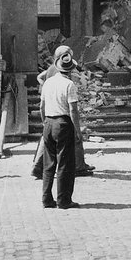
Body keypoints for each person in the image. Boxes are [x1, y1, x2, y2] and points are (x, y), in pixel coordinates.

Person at [31, 45, 94, 178]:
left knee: (46, 141)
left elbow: (40, 78)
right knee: (75, 138)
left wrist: (44, 86)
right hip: (61, 110)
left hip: (50, 110)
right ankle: (78, 167)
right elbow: (73, 109)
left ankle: (37, 167)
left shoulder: (51, 69)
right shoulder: (60, 73)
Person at [40, 51, 83, 209]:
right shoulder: (69, 85)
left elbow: (41, 106)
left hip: (49, 123)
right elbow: (73, 111)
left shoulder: (48, 82)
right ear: (70, 70)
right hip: (63, 124)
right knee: (65, 164)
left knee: (48, 164)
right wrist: (78, 131)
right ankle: (64, 200)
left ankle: (46, 199)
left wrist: (45, 122)